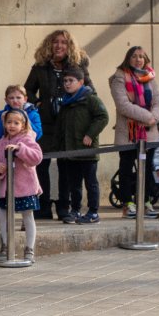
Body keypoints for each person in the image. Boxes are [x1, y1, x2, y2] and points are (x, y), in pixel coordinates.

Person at [24, 29, 91, 220]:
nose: (59, 45)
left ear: (69, 46)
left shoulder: (78, 66)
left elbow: (89, 89)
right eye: (55, 42)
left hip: (68, 123)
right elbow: (27, 89)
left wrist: (74, 101)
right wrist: (37, 103)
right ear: (49, 45)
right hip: (45, 124)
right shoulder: (40, 67)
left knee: (66, 166)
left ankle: (64, 206)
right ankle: (42, 206)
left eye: (63, 42)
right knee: (41, 165)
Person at [108, 46, 159, 218]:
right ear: (128, 58)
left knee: (147, 169)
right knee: (125, 168)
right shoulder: (119, 77)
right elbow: (123, 105)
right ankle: (128, 203)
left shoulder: (150, 77)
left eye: (141, 56)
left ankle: (145, 201)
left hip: (149, 131)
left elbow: (158, 101)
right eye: (134, 56)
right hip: (128, 132)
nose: (138, 59)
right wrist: (148, 117)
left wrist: (154, 117)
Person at [56, 66, 109, 224]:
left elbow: (103, 117)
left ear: (81, 82)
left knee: (90, 183)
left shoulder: (91, 99)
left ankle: (93, 212)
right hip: (71, 152)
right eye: (65, 81)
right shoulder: (65, 101)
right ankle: (76, 210)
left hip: (87, 151)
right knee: (74, 184)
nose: (67, 83)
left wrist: (90, 134)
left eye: (71, 80)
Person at [0, 109, 42, 263]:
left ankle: (29, 248)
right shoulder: (2, 142)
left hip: (25, 187)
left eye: (16, 123)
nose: (11, 126)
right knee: (1, 214)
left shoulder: (27, 139)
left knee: (27, 216)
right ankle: (6, 244)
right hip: (7, 189)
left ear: (23, 124)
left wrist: (20, 149)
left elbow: (37, 157)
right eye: (8, 122)